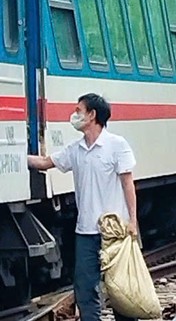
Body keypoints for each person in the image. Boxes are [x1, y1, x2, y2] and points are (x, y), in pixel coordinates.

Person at [28, 93, 138, 321]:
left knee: (122, 290)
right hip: (86, 231)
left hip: (115, 232)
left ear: (92, 115)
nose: (75, 115)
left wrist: (132, 221)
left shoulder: (117, 145)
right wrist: (13, 156)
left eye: (79, 110)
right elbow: (45, 162)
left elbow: (128, 183)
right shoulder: (75, 150)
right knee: (85, 289)